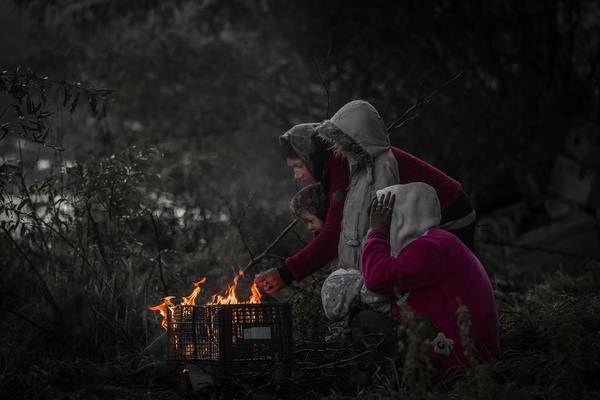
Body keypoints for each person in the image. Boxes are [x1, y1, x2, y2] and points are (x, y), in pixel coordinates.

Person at [358, 183, 499, 379]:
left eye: (386, 221)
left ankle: (400, 386)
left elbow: (376, 278)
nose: (379, 227)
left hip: (461, 360)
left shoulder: (430, 248)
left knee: (365, 321)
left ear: (399, 220)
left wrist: (377, 232)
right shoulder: (435, 242)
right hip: (464, 350)